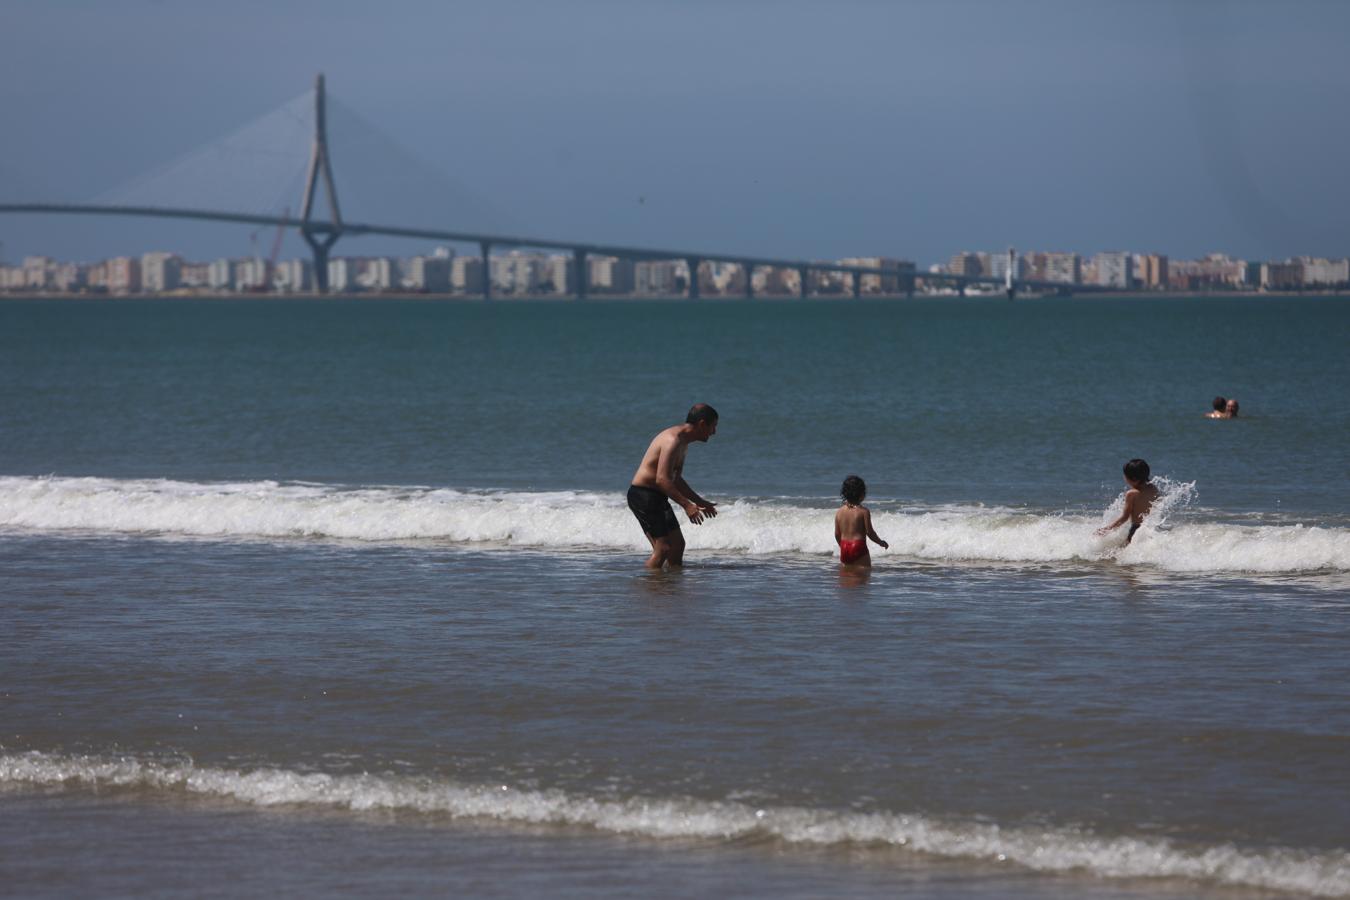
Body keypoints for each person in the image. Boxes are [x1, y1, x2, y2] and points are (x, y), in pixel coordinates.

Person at [627, 403, 719, 569]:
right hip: (643, 496)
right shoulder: (673, 440)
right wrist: (687, 505)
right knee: (662, 548)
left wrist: (700, 502)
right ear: (702, 424)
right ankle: (650, 588)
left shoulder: (683, 442)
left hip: (656, 496)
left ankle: (671, 589)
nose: (714, 432)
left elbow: (675, 479)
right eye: (713, 426)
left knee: (677, 546)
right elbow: (662, 479)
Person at [1096, 458, 1160, 544]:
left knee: (1123, 553)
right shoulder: (1153, 488)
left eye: (1125, 475)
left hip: (1135, 530)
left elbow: (1124, 518)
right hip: (1150, 528)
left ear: (1133, 478)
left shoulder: (1131, 494)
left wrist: (1108, 529)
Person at [834, 475, 888, 566]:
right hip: (858, 546)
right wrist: (880, 542)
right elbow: (870, 533)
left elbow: (837, 534)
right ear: (862, 494)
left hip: (844, 547)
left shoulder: (839, 512)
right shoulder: (863, 512)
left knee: (847, 578)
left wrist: (842, 547)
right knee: (863, 576)